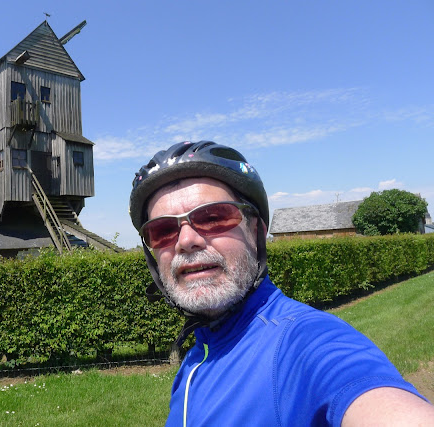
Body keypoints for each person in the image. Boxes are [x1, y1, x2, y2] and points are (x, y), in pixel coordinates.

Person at [128, 140, 434, 426]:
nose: (186, 241)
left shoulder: (303, 342)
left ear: (256, 233)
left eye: (213, 217)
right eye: (163, 230)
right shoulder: (195, 359)